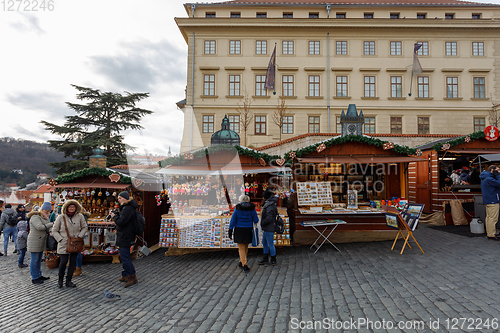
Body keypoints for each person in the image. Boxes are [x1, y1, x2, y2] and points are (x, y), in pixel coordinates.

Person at [52, 200, 88, 288]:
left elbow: (84, 227)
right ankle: (60, 280)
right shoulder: (61, 217)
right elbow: (54, 230)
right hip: (64, 242)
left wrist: (79, 236)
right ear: (66, 208)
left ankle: (69, 280)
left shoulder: (80, 216)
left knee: (72, 262)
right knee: (63, 262)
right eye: (70, 207)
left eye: (73, 207)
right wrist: (60, 239)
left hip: (75, 243)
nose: (72, 208)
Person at [110, 191, 139, 287]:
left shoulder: (128, 208)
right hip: (124, 235)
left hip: (125, 235)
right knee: (123, 256)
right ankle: (125, 274)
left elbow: (121, 222)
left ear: (126, 199)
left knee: (125, 257)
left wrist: (114, 216)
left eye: (120, 198)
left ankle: (131, 276)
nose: (118, 200)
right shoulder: (127, 208)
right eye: (118, 198)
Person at [228, 195, 259, 272]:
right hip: (248, 228)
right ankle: (241, 261)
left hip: (239, 229)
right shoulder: (252, 208)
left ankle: (244, 264)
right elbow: (256, 219)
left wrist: (230, 229)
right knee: (245, 246)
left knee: (241, 247)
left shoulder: (237, 208)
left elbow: (233, 219)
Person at [27, 201, 54, 284]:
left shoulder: (45, 217)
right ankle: (34, 277)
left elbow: (47, 227)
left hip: (41, 241)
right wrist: (52, 224)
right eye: (46, 211)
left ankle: (39, 275)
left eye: (49, 211)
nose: (48, 212)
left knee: (39, 259)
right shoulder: (35, 216)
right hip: (35, 241)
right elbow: (39, 227)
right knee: (34, 260)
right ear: (42, 209)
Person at [479, 165, 500, 240]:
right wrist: (498, 176)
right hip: (493, 200)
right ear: (492, 170)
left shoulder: (485, 177)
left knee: (489, 218)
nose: (499, 171)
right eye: (497, 170)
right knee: (493, 218)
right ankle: (491, 234)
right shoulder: (489, 179)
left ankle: (490, 233)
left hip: (488, 200)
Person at [258, 189, 278, 266]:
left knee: (270, 243)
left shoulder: (270, 206)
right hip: (267, 227)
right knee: (265, 242)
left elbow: (269, 218)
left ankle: (273, 259)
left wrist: (263, 222)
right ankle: (265, 258)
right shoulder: (269, 204)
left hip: (269, 227)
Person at [74, 210, 91, 277]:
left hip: (78, 235)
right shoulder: (82, 216)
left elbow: (83, 227)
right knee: (75, 251)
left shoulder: (81, 216)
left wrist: (80, 235)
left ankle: (78, 268)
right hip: (75, 235)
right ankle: (76, 267)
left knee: (77, 251)